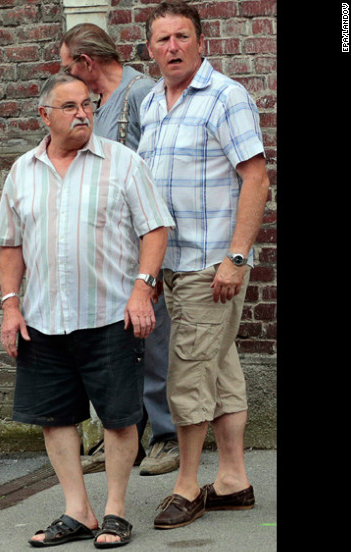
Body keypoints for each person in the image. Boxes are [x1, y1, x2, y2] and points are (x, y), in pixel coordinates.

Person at [0, 73, 173, 548]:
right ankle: (78, 511)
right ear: (44, 115)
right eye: (69, 106)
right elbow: (10, 245)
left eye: (88, 104)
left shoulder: (123, 163)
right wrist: (11, 306)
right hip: (43, 318)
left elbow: (155, 229)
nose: (82, 113)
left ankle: (114, 510)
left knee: (118, 417)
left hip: (111, 314)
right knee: (55, 417)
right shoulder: (22, 172)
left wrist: (143, 289)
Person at [136, 1, 269, 530]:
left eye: (182, 37)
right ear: (149, 49)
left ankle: (187, 486)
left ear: (201, 41)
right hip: (170, 262)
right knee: (220, 367)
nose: (172, 47)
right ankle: (233, 479)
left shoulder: (225, 97)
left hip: (209, 265)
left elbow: (256, 179)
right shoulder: (151, 103)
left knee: (188, 372)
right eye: (162, 39)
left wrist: (235, 258)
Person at [59, 22, 180, 478]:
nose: (68, 74)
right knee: (123, 344)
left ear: (87, 62)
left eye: (69, 65)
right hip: (112, 247)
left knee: (156, 341)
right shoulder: (100, 103)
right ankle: (129, 437)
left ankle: (167, 437)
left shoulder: (141, 93)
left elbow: (154, 170)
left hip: (143, 241)